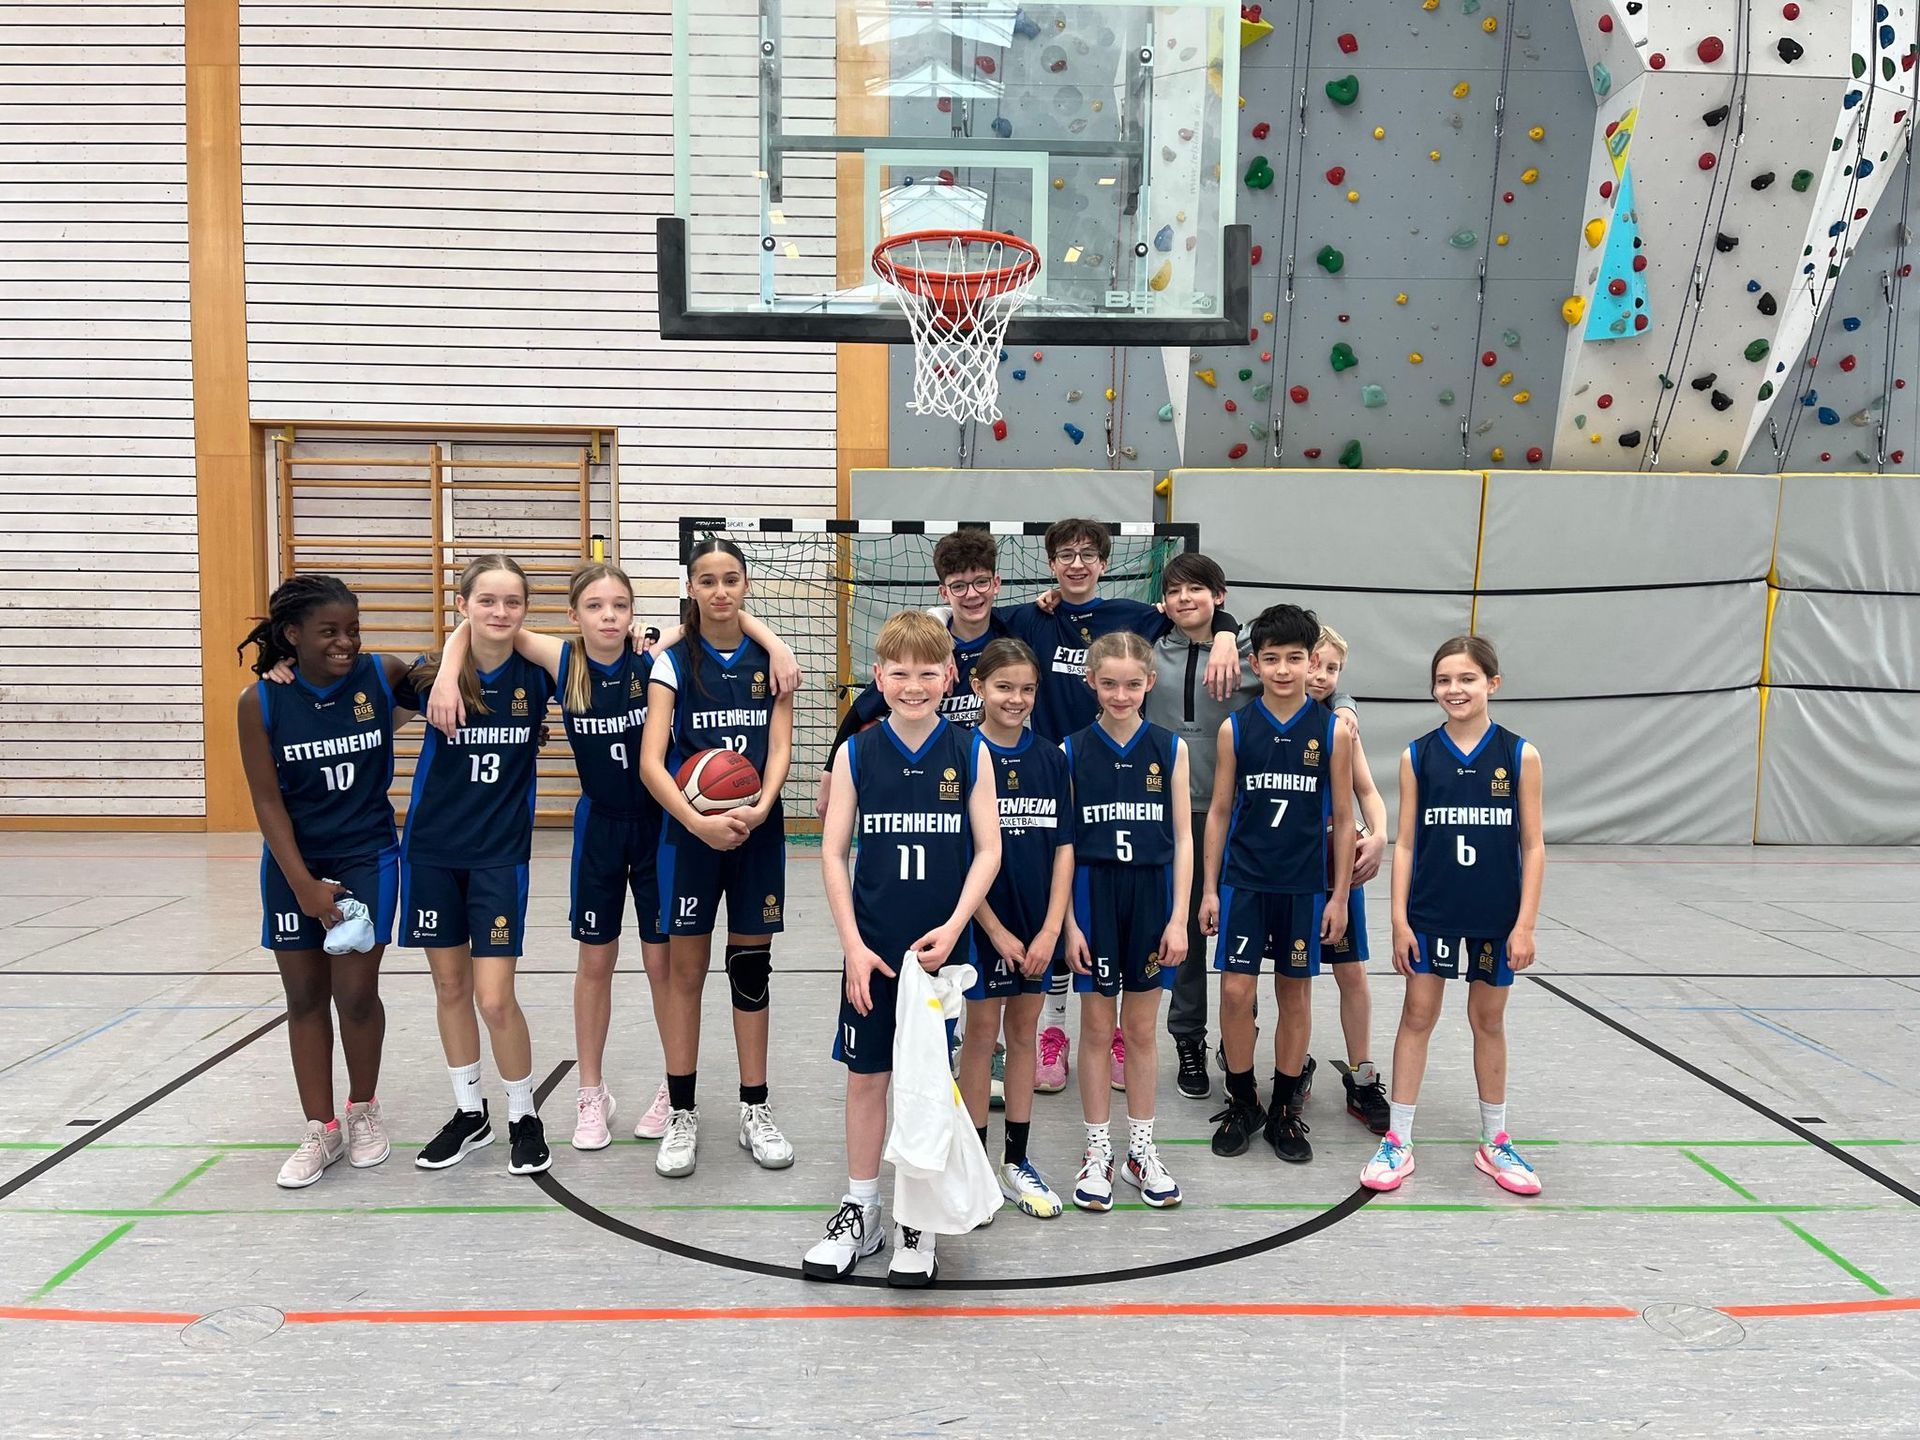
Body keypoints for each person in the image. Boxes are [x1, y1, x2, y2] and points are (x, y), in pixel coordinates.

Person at [425, 563, 796, 1152]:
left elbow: (712, 615)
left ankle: (671, 1088)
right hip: (599, 827)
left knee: (661, 966)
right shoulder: (563, 660)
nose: (608, 617)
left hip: (659, 828)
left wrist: (774, 643)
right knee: (595, 963)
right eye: (594, 606)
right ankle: (591, 1092)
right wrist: (448, 673)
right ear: (573, 615)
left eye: (619, 606)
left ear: (633, 614)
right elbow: (480, 625)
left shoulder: (652, 658)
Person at [995, 521, 1238, 1098]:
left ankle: (1133, 1040)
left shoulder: (1134, 616)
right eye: (1065, 555)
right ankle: (1054, 1031)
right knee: (1061, 912)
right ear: (1050, 563)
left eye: (1088, 554)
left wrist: (1228, 632)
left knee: (1140, 939)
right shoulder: (1031, 616)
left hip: (1132, 772)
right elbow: (968, 619)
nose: (1076, 564)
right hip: (1055, 769)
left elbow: (1198, 615)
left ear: (1105, 563)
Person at [805, 612, 1002, 1284]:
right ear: (879, 677)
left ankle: (918, 1218)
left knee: (929, 1083)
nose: (913, 685)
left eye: (926, 673)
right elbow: (832, 853)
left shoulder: (970, 751)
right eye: (899, 673)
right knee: (867, 1079)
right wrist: (852, 947)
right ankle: (862, 1210)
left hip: (940, 954)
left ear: (949, 676)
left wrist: (956, 926)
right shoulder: (856, 753)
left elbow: (989, 851)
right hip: (875, 949)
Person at [236, 575, 406, 1188]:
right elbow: (266, 802)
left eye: (353, 629)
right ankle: (321, 1128)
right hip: (293, 863)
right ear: (292, 635)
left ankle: (363, 1109)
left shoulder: (381, 675)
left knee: (355, 994)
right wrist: (304, 884)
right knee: (305, 998)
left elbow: (455, 677)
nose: (346, 642)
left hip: (368, 853)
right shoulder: (260, 702)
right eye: (329, 632)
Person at [1361, 635, 1546, 1196]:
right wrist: (1399, 920)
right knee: (1417, 1015)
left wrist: (1525, 924)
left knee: (1488, 1021)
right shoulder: (1418, 755)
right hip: (1432, 911)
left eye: (1467, 678)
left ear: (1493, 683)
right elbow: (1408, 845)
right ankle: (1398, 1139)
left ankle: (1495, 1140)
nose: (1454, 689)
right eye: (1443, 680)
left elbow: (1533, 845)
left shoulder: (1519, 755)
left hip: (1495, 914)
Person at [639, 538, 797, 1179]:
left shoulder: (773, 660)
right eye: (707, 580)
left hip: (758, 828)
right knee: (685, 975)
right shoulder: (673, 662)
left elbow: (781, 745)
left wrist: (762, 806)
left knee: (750, 972)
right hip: (689, 834)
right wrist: (697, 821)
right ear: (691, 588)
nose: (720, 591)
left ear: (746, 584)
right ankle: (682, 1112)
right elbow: (651, 762)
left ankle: (754, 1107)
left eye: (731, 578)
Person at [398, 554, 555, 1177]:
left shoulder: (537, 674)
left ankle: (523, 1115)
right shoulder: (427, 676)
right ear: (462, 604)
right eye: (485, 600)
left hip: (498, 856)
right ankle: (471, 1114)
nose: (500, 611)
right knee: (449, 988)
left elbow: (601, 657)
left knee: (494, 998)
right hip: (433, 852)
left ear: (526, 610)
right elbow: (354, 690)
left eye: (512, 601)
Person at [1200, 604, 1354, 1165]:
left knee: (1295, 993)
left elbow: (1344, 816)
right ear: (1254, 664)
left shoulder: (1332, 731)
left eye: (1294, 658)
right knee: (1236, 993)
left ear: (1312, 661)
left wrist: (1340, 895)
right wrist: (1210, 889)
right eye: (1272, 659)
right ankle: (1244, 1101)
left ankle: (1285, 1106)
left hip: (1304, 886)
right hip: (1245, 881)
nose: (1284, 669)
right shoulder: (1235, 728)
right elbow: (1220, 811)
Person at [1061, 631, 1191, 1211]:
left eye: (1132, 684)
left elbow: (1184, 839)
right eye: (1109, 683)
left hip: (1151, 895)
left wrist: (1179, 917)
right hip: (1093, 894)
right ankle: (1097, 1152)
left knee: (1139, 1031)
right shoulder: (1070, 750)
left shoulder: (1170, 748)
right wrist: (1069, 923)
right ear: (1091, 681)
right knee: (1095, 1030)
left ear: (1149, 683)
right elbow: (1063, 846)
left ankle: (1141, 1149)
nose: (1120, 694)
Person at [957, 639, 1073, 1219]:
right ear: (978, 687)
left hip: (1036, 926)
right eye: (1004, 687)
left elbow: (1065, 849)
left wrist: (1050, 930)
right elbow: (961, 857)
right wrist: (996, 930)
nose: (1016, 699)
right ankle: (975, 1162)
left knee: (1025, 1032)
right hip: (986, 925)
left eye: (1027, 689)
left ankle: (1016, 1160)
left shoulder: (1052, 758)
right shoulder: (962, 753)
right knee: (981, 1036)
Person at [816, 527, 1006, 821]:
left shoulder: (1012, 633)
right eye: (958, 586)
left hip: (987, 778)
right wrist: (830, 772)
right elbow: (861, 710)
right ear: (943, 592)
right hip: (932, 784)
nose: (971, 594)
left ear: (996, 584)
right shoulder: (926, 648)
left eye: (981, 582)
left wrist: (1053, 594)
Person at [1304, 625, 1391, 1133]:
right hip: (1279, 865)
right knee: (1274, 977)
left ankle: (1362, 1075)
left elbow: (1369, 792)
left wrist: (1379, 835)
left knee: (1351, 972)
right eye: (1314, 663)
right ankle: (1283, 1065)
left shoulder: (1341, 727)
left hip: (1334, 864)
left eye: (1332, 668)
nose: (1320, 675)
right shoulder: (1259, 718)